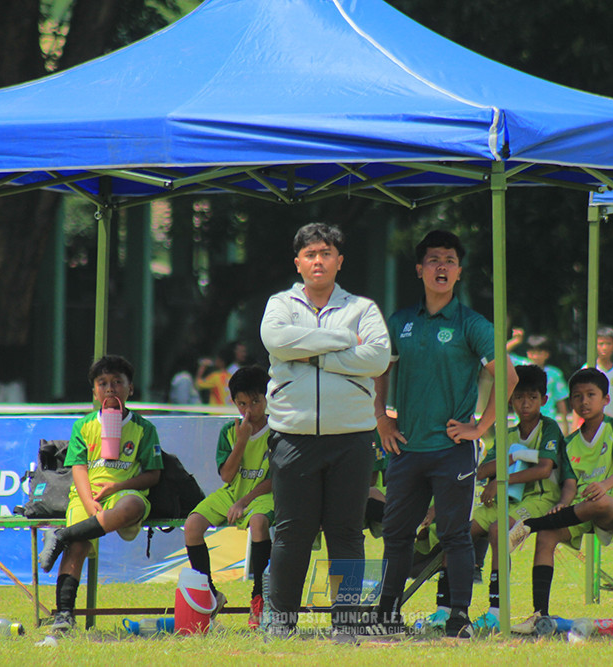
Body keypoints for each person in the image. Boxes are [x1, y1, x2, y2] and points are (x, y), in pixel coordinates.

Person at [374, 229, 516, 638]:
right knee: (397, 535)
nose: (442, 266)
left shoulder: (472, 324)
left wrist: (481, 427)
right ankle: (386, 614)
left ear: (459, 273)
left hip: (452, 451)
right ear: (419, 270)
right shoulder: (400, 321)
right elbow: (381, 367)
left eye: (450, 261)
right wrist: (382, 419)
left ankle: (458, 617)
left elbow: (507, 377)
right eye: (434, 259)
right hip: (404, 449)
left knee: (454, 535)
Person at [259, 222, 390, 636]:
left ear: (340, 261)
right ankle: (281, 621)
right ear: (298, 262)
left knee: (346, 533)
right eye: (311, 254)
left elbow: (377, 359)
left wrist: (311, 355)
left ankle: (346, 623)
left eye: (326, 253)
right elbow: (276, 341)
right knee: (291, 533)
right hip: (291, 437)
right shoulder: (280, 304)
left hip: (351, 439)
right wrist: (338, 339)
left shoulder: (363, 308)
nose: (319, 260)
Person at [38, 355, 164, 633]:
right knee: (79, 544)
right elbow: (79, 469)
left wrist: (118, 486)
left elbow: (153, 475)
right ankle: (64, 614)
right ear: (94, 391)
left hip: (124, 494)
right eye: (103, 383)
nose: (110, 389)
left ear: (130, 389)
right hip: (88, 496)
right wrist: (89, 502)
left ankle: (61, 535)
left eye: (118, 382)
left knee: (133, 505)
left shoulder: (144, 428)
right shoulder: (83, 426)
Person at [507, 367, 613, 632]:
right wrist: (563, 502)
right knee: (546, 539)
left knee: (600, 502)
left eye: (591, 395)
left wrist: (604, 485)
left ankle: (531, 524)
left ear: (606, 399)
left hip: (612, 506)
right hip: (578, 510)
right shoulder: (570, 442)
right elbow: (569, 483)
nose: (584, 402)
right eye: (577, 396)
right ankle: (539, 615)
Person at [469, 364, 564, 633]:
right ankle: (449, 609)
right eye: (519, 397)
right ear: (510, 398)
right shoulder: (507, 433)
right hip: (507, 499)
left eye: (532, 397)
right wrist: (509, 459)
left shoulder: (549, 428)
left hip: (541, 499)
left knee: (499, 532)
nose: (525, 404)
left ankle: (497, 610)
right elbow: (482, 470)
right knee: (462, 533)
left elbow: (545, 468)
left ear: (544, 400)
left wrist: (502, 479)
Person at [184, 365, 273, 629]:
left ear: (267, 398)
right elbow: (226, 476)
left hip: (263, 494)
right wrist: (242, 442)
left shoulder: (278, 430)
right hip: (233, 491)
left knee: (258, 523)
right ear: (233, 402)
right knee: (192, 526)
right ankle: (211, 594)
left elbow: (275, 480)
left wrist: (244, 502)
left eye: (255, 401)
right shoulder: (230, 432)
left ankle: (258, 596)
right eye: (242, 403)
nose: (248, 410)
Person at [525, 335, 570, 435]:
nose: (536, 356)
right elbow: (501, 355)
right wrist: (515, 341)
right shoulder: (520, 371)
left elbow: (561, 400)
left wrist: (565, 424)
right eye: (533, 353)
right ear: (528, 354)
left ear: (547, 354)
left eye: (539, 353)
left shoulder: (555, 374)